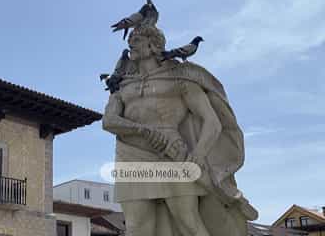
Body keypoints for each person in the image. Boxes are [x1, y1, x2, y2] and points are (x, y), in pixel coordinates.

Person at [102, 25, 257, 236]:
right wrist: (143, 130)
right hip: (131, 155)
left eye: (136, 39)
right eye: (130, 40)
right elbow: (109, 121)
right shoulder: (122, 85)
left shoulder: (180, 78)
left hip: (172, 154)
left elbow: (212, 121)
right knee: (136, 228)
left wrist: (198, 156)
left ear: (153, 45)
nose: (131, 44)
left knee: (188, 223)